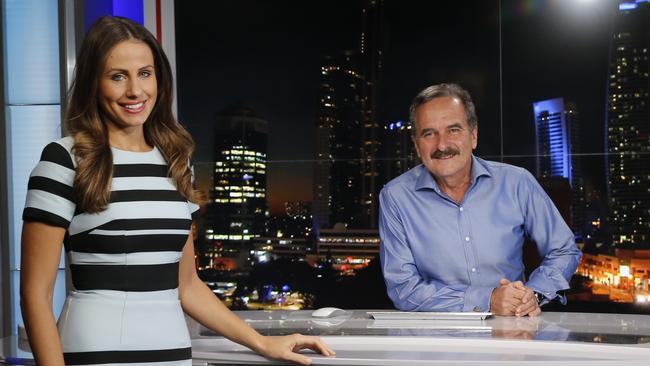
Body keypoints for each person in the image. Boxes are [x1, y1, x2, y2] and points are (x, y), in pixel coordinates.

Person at [20, 16, 333, 365]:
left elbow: (187, 286)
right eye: (117, 76)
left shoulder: (176, 163)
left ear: (159, 79)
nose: (135, 91)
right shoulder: (64, 159)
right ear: (94, 83)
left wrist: (263, 343)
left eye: (145, 73)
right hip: (94, 352)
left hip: (172, 353)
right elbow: (35, 293)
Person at [378, 83, 582, 317]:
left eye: (453, 130)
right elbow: (403, 289)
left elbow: (564, 250)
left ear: (473, 136)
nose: (442, 145)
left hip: (513, 329)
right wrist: (488, 299)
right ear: (416, 145)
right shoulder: (395, 197)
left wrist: (532, 295)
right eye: (429, 133)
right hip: (435, 339)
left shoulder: (517, 182)